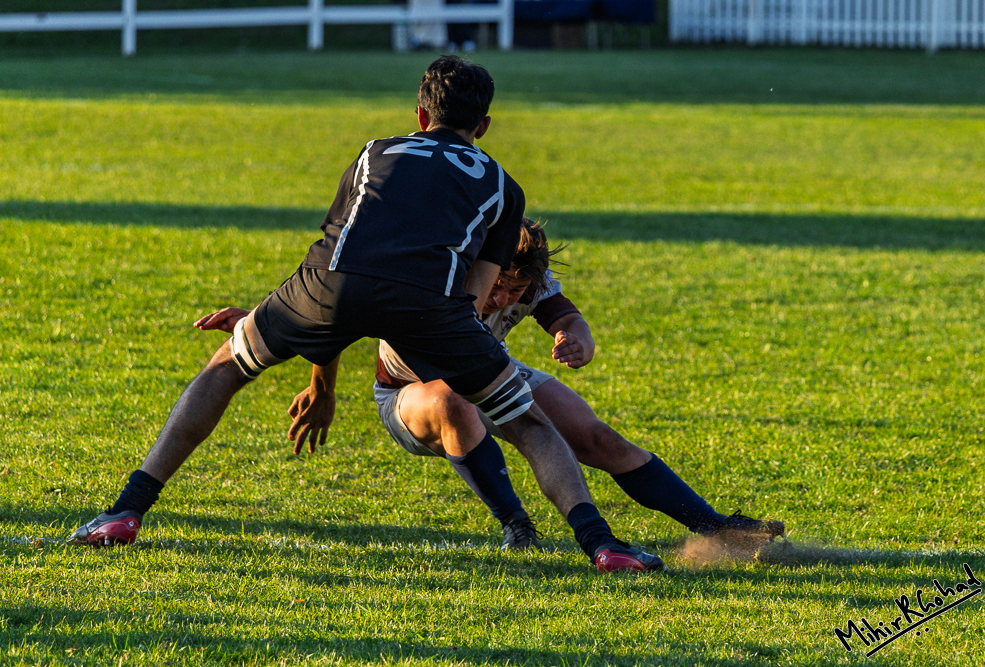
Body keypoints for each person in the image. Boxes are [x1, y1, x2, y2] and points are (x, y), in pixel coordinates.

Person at [69, 55, 660, 574]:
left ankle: (125, 512)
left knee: (225, 367)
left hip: (328, 283)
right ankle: (602, 545)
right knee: (530, 426)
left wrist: (310, 360)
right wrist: (467, 357)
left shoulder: (374, 151)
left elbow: (337, 249)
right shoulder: (505, 188)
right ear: (481, 128)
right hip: (429, 305)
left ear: (421, 115)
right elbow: (476, 295)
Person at [193, 219, 785, 555]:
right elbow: (339, 314)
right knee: (454, 401)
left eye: (514, 290)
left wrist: (578, 339)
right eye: (496, 285)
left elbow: (567, 318)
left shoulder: (528, 283)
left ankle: (718, 530)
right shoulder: (440, 273)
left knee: (595, 437)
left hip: (493, 373)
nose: (502, 299)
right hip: (411, 392)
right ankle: (517, 528)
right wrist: (266, 329)